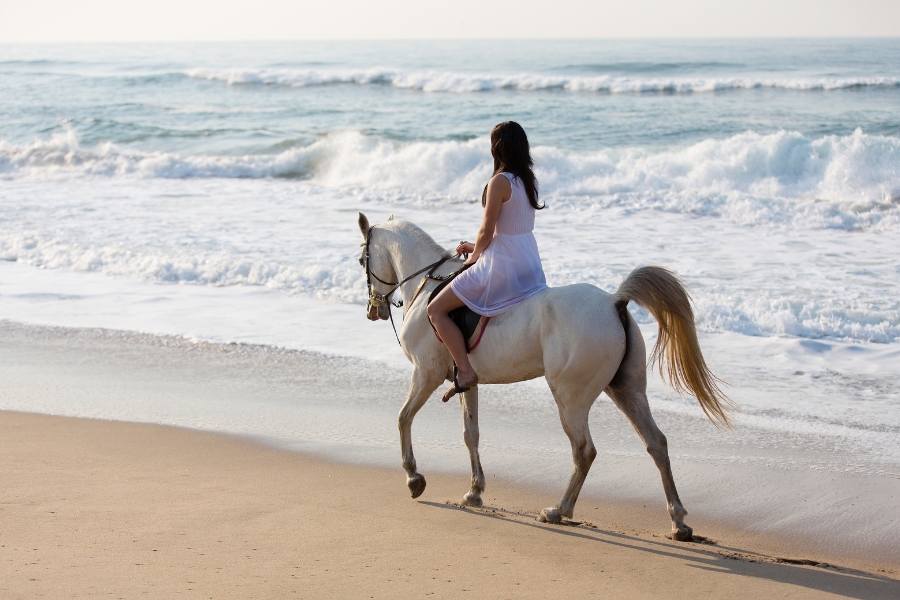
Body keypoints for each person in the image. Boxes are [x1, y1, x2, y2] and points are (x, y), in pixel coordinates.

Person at [427, 121, 548, 402]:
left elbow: (487, 230)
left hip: (502, 266)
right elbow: (509, 229)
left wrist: (475, 256)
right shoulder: (528, 180)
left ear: (497, 147)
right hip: (528, 262)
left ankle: (466, 371)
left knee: (435, 309)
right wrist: (474, 246)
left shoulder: (499, 182)